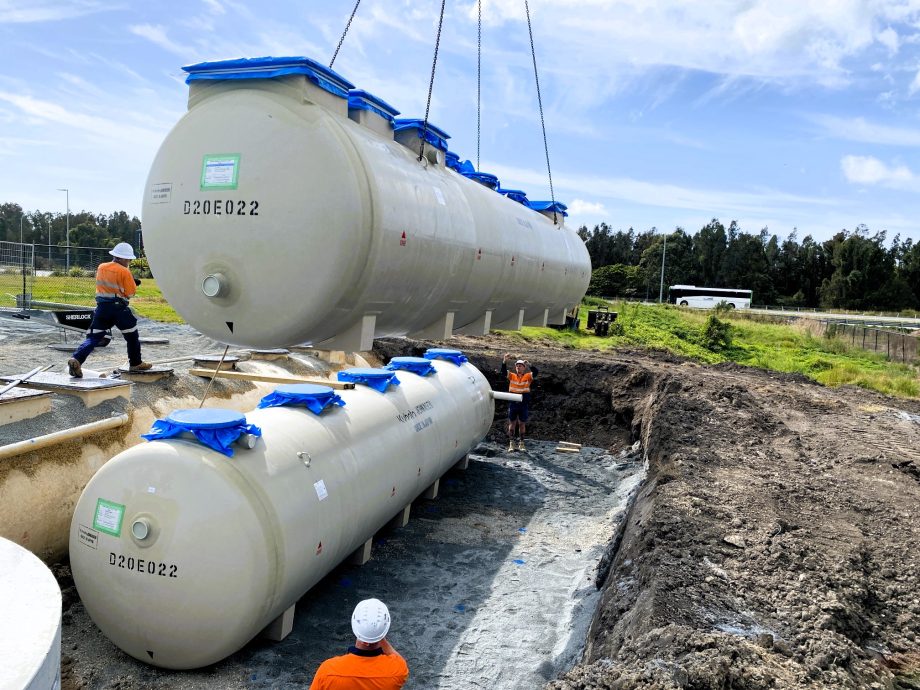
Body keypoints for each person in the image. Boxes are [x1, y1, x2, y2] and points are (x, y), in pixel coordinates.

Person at [67, 242, 151, 378]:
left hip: (102, 308)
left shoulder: (101, 267)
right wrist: (132, 282)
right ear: (122, 258)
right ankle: (136, 363)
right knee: (132, 335)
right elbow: (130, 293)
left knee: (94, 337)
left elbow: (110, 284)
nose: (129, 262)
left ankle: (77, 358)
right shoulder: (124, 271)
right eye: (128, 259)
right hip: (119, 309)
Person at [310, 598, 409, 690]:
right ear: (384, 630)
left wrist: (372, 635)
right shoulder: (397, 671)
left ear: (354, 625)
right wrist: (377, 634)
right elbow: (399, 660)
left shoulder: (328, 671)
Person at [501, 353, 537, 451]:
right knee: (512, 423)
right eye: (517, 366)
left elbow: (536, 372)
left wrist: (530, 364)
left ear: (524, 368)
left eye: (520, 366)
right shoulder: (512, 376)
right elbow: (503, 372)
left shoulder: (528, 376)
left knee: (522, 424)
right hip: (513, 403)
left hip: (523, 403)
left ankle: (521, 443)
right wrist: (504, 361)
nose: (518, 367)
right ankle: (511, 443)